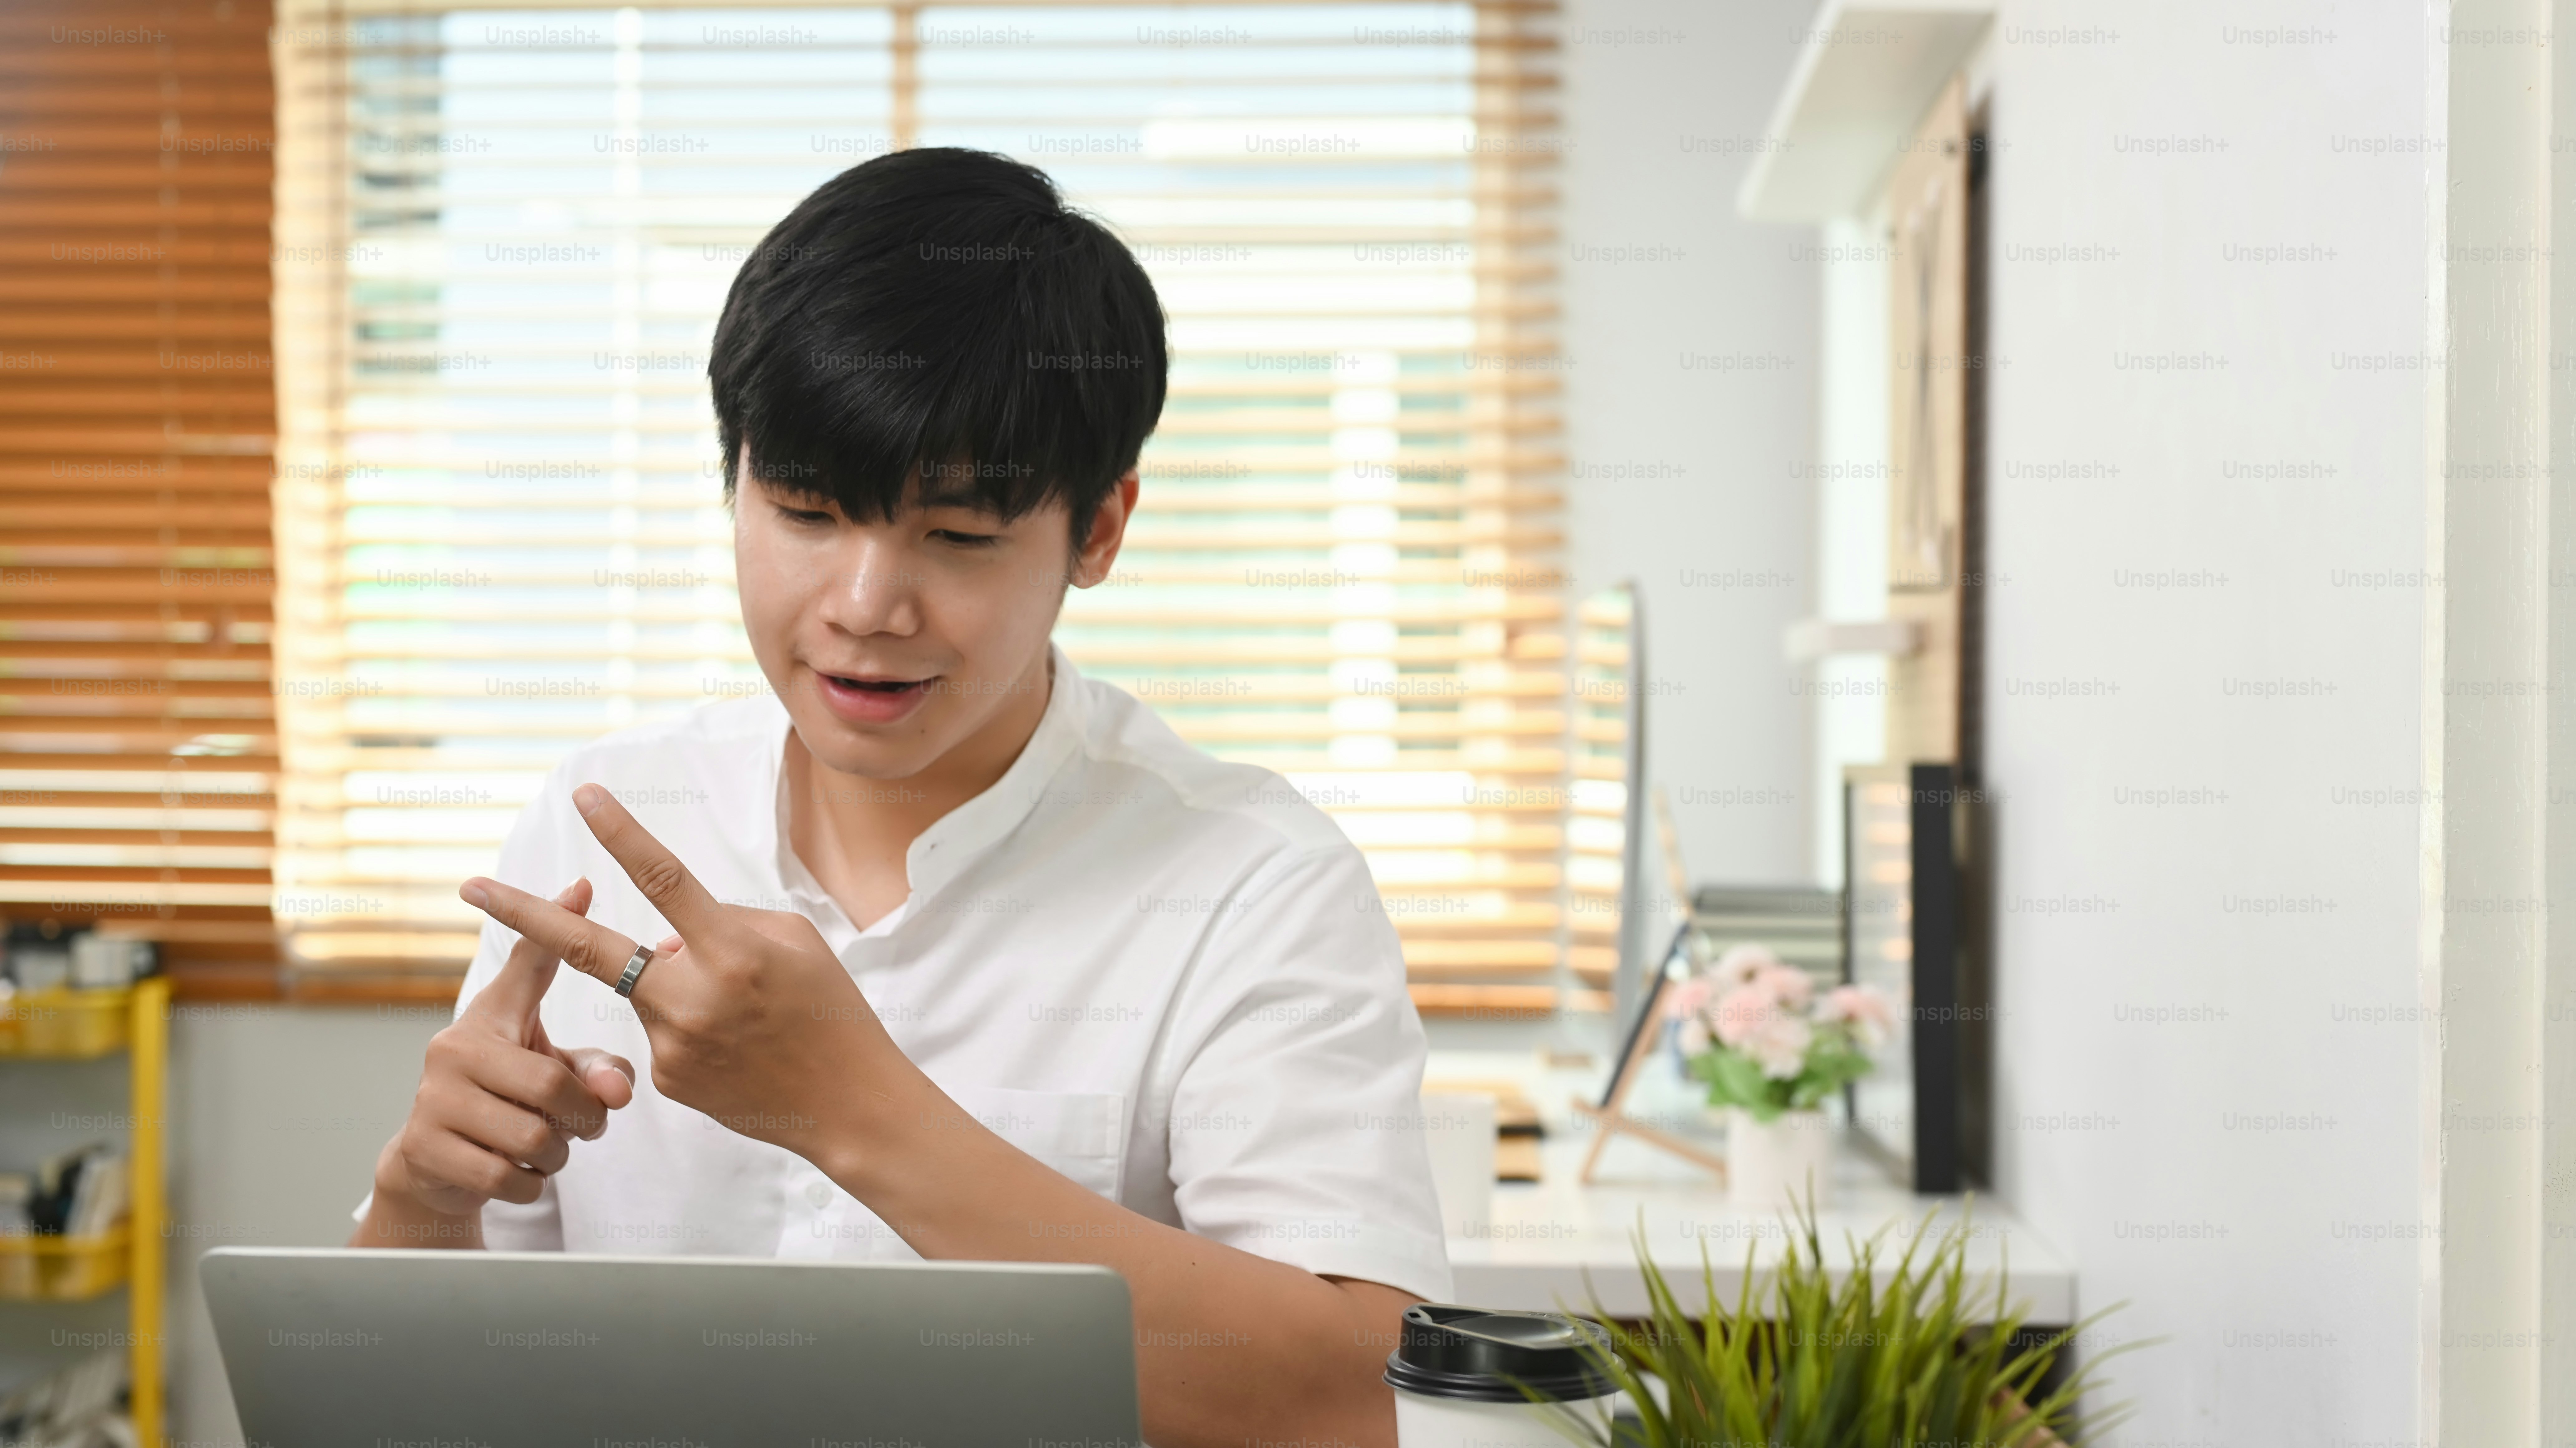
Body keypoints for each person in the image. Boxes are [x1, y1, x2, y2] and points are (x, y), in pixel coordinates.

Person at [347, 147, 1449, 1448]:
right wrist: (421, 1189)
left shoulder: (1255, 880)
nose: (865, 608)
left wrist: (849, 1108)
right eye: (806, 511)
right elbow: (404, 1386)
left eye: (960, 536)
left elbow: (1347, 1393)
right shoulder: (606, 815)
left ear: (1099, 530)